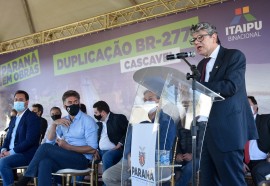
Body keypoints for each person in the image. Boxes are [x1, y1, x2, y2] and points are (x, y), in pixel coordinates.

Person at [189, 22, 258, 185]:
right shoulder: (201, 65)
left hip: (227, 130)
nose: (197, 42)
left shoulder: (234, 56)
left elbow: (231, 86)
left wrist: (198, 86)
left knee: (232, 181)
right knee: (208, 181)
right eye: (194, 40)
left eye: (200, 38)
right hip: (206, 131)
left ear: (214, 37)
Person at [16, 90, 98, 186]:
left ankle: (25, 179)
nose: (73, 104)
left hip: (81, 160)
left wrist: (68, 147)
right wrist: (54, 124)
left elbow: (92, 149)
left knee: (45, 147)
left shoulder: (88, 121)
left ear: (79, 103)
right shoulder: (64, 120)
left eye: (75, 102)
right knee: (44, 162)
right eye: (70, 102)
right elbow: (50, 141)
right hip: (66, 157)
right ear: (64, 106)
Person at [102, 90, 176, 186]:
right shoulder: (140, 120)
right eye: (145, 100)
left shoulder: (166, 121)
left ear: (159, 101)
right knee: (107, 176)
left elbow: (162, 149)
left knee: (140, 179)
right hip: (131, 162)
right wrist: (129, 155)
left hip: (157, 164)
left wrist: (136, 157)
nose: (147, 102)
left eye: (150, 99)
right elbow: (130, 144)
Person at [0, 90, 41, 186]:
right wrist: (3, 149)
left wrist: (10, 152)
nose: (17, 102)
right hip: (10, 151)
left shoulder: (32, 118)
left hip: (26, 154)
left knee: (3, 163)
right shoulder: (13, 119)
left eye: (21, 99)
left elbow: (30, 141)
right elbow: (7, 138)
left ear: (27, 102)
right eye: (16, 99)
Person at [92, 100, 128, 173]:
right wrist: (95, 150)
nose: (94, 115)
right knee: (84, 155)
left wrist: (120, 143)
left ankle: (107, 182)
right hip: (100, 151)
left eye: (96, 113)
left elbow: (129, 132)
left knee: (107, 157)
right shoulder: (99, 124)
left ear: (102, 113)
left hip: (116, 150)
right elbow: (95, 138)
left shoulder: (118, 118)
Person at [243, 96, 270, 185]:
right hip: (245, 162)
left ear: (256, 107)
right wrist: (239, 161)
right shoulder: (238, 125)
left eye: (248, 104)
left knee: (258, 171)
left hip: (264, 160)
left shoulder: (266, 119)